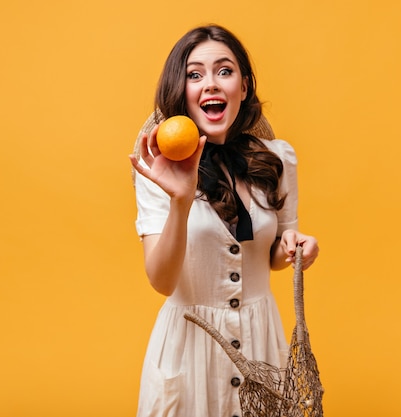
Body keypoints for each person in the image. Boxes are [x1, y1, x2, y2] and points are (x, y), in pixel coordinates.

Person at [129, 24, 320, 417]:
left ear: (244, 86)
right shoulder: (156, 168)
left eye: (224, 71)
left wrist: (297, 248)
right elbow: (161, 280)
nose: (211, 84)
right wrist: (181, 200)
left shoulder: (277, 158)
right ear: (181, 91)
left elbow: (276, 252)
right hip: (189, 348)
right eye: (195, 74)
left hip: (260, 339)